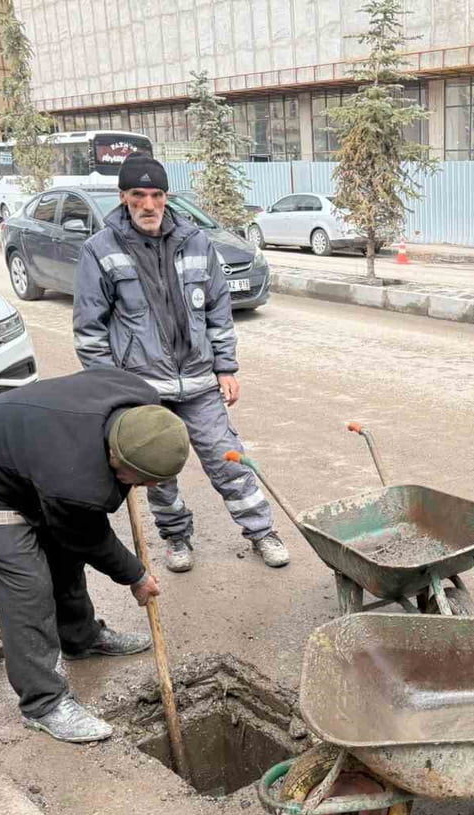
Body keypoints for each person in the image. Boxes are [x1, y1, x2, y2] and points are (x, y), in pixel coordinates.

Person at [0, 368, 191, 743]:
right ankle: (43, 703)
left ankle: (80, 639)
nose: (149, 488)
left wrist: (137, 475)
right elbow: (90, 535)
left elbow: (77, 534)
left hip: (26, 459)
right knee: (28, 585)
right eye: (141, 479)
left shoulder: (141, 401)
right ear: (114, 454)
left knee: (64, 553)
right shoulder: (76, 481)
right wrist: (136, 575)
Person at [72, 153, 288, 573]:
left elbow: (217, 310)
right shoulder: (100, 251)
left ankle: (262, 532)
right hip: (142, 388)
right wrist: (110, 389)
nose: (149, 205)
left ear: (166, 197)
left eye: (156, 195)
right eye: (139, 195)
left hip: (199, 382)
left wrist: (225, 367)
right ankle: (176, 538)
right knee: (157, 470)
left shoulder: (196, 242)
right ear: (123, 197)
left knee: (228, 458)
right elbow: (89, 330)